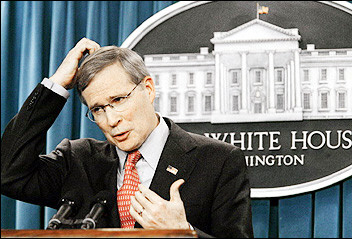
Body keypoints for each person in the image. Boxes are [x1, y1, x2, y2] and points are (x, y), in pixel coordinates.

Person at [1, 38, 253, 238]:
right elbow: (8, 173)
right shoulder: (78, 160)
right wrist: (55, 86)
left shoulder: (218, 161)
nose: (111, 120)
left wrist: (184, 233)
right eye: (98, 109)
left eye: (118, 100)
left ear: (149, 89)